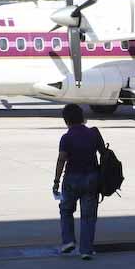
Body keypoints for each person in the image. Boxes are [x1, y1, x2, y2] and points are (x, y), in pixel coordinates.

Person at [53, 103, 104, 259]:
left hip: (71, 178)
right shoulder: (94, 134)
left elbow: (62, 159)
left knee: (66, 209)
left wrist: (56, 181)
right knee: (89, 215)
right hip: (91, 177)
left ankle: (68, 241)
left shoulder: (66, 137)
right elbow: (104, 153)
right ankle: (86, 250)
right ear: (82, 117)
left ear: (66, 120)